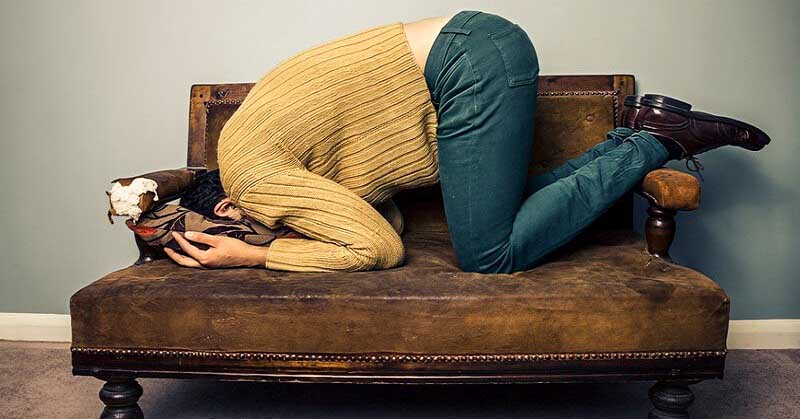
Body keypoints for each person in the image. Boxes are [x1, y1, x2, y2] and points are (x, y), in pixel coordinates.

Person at [168, 10, 770, 273]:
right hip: (471, 51)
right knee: (498, 217)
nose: (223, 252)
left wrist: (255, 254)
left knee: (488, 255)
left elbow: (377, 248)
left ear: (227, 207)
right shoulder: (262, 155)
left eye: (223, 237)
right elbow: (391, 223)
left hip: (466, 63)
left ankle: (651, 143)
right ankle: (640, 132)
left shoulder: (251, 176)